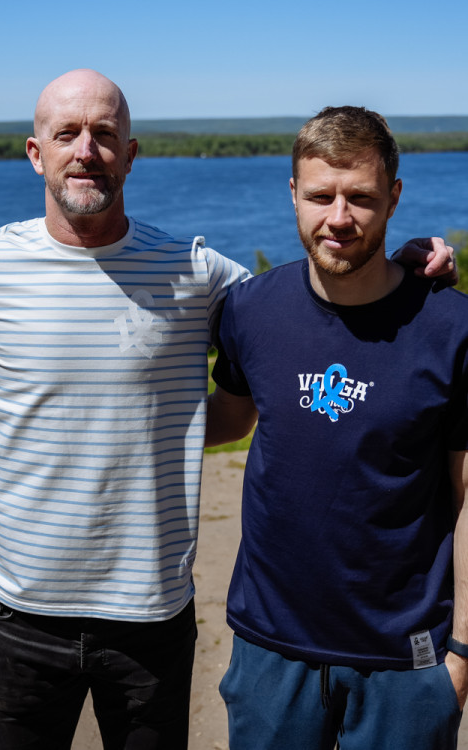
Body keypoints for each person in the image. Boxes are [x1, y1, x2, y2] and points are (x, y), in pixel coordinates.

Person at [0, 73, 457, 749]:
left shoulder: (196, 273)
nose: (86, 150)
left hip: (152, 614)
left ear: (130, 154)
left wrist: (409, 273)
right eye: (66, 134)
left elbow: (313, 297)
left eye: (104, 134)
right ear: (35, 153)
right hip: (18, 614)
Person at [206, 106, 468, 749]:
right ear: (293, 193)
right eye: (321, 196)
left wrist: (462, 656)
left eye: (362, 197)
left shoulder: (451, 329)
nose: (340, 218)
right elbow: (228, 418)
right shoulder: (250, 309)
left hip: (405, 663)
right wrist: (108, 408)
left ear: (394, 197)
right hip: (271, 653)